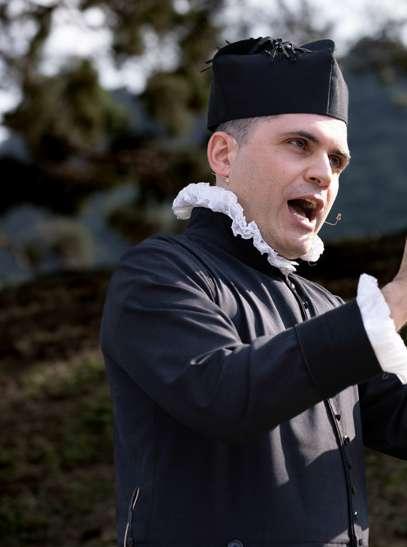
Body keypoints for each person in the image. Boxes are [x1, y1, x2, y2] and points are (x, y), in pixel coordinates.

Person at [100, 37, 407, 547]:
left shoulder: (327, 308)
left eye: (337, 161)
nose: (323, 174)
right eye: (299, 144)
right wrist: (397, 300)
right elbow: (225, 396)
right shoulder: (157, 275)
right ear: (224, 154)